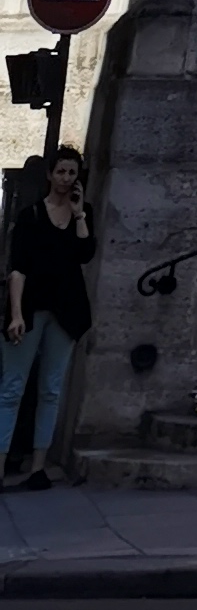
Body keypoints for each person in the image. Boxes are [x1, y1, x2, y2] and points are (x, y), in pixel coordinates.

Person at [3, 146, 97, 491]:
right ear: (50, 174)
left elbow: (85, 254)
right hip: (31, 308)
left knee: (51, 389)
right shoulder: (31, 215)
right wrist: (15, 314)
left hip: (66, 310)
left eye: (72, 173)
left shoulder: (82, 213)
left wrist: (79, 215)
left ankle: (38, 469)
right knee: (12, 388)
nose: (66, 179)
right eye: (61, 172)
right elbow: (18, 268)